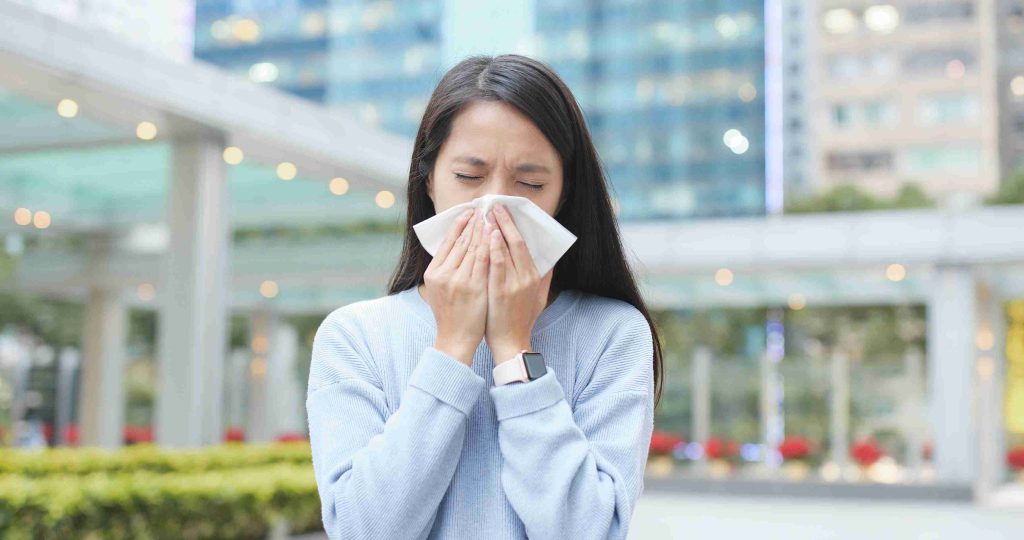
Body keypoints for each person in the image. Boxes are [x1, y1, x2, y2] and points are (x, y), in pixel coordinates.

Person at [306, 54, 665, 540]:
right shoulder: (355, 337)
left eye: (531, 183)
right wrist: (452, 348)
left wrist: (515, 349)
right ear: (428, 179)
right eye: (470, 178)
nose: (494, 206)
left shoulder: (612, 333)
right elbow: (363, 529)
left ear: (564, 194)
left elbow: (588, 531)